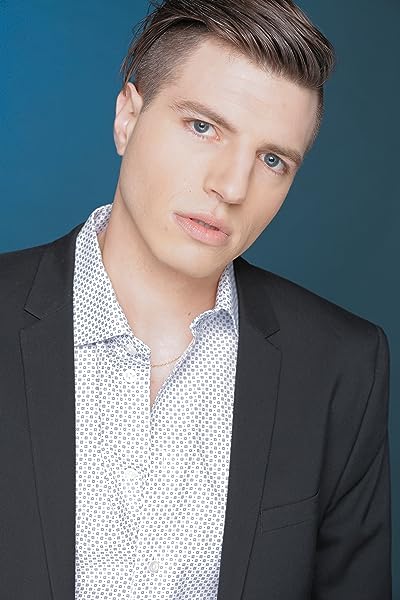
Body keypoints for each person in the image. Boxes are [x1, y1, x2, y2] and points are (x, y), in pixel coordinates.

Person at [0, 0, 392, 598]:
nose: (231, 186)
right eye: (203, 127)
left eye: (272, 160)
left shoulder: (343, 366)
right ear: (128, 116)